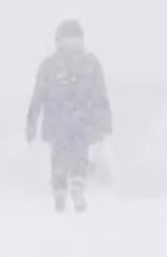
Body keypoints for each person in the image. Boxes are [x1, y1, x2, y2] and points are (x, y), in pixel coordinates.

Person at [26, 19, 112, 213]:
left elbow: (38, 96)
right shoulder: (90, 63)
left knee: (58, 157)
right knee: (80, 155)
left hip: (56, 121)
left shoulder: (49, 65)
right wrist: (105, 123)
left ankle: (59, 189)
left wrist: (31, 124)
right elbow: (101, 95)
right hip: (83, 121)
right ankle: (77, 184)